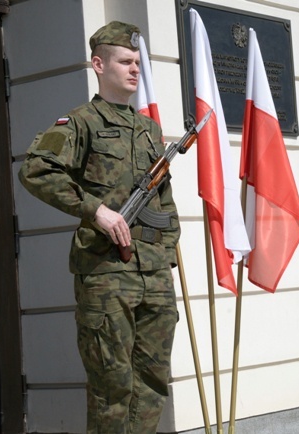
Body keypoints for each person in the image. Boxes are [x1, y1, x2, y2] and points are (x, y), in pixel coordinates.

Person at [19, 21, 179, 434]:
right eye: (125, 61)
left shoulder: (149, 129)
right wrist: (96, 211)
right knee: (113, 387)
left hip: (154, 273)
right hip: (106, 274)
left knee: (152, 382)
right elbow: (36, 170)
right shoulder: (79, 123)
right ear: (98, 64)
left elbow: (164, 200)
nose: (134, 70)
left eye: (137, 63)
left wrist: (168, 251)